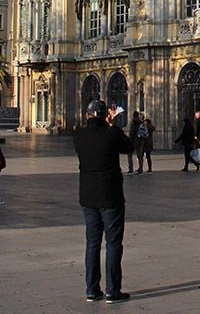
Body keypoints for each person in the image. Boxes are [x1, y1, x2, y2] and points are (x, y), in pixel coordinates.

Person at [73, 100, 133, 304]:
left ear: (88, 115)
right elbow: (128, 146)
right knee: (114, 243)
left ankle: (91, 289)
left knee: (92, 244)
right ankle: (112, 290)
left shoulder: (79, 135)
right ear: (105, 116)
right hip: (111, 197)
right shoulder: (112, 134)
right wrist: (111, 125)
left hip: (88, 198)